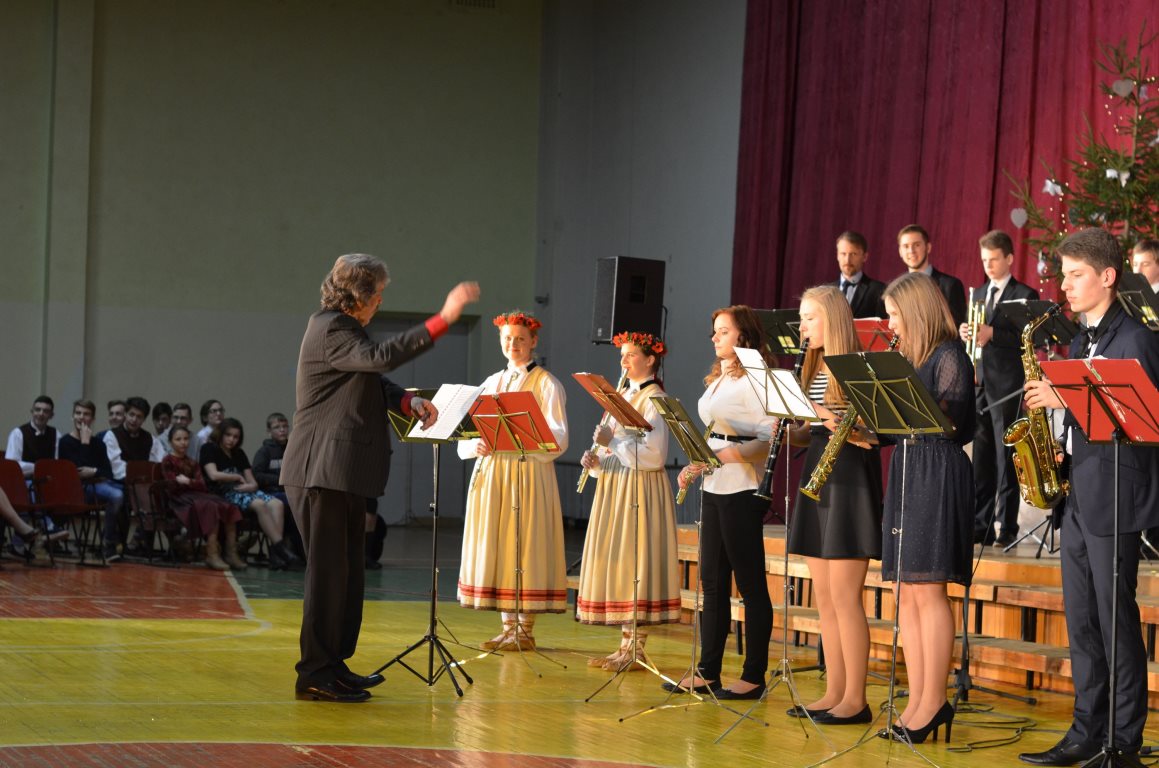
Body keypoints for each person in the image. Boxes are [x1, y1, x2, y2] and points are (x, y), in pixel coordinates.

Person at [280, 252, 478, 704]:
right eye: (378, 293)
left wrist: (407, 402)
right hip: (321, 469)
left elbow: (369, 377)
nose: (381, 301)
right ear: (358, 295)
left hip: (341, 470)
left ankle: (333, 665)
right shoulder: (331, 327)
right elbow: (379, 357)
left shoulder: (343, 329)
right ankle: (314, 672)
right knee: (328, 577)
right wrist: (443, 319)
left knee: (348, 575)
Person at [1019, 228, 1159, 766]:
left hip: (1117, 496)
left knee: (1114, 621)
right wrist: (1060, 444)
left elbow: (1145, 424)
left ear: (1107, 276)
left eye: (1076, 275)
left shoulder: (1137, 339)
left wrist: (1066, 396)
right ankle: (1085, 731)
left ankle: (1122, 742)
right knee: (1081, 620)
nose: (1066, 286)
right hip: (1078, 493)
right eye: (1064, 275)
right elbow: (1088, 422)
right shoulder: (1081, 340)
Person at [877, 272, 974, 744]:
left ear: (916, 311)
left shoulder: (950, 354)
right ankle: (917, 700)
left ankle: (934, 701)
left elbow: (953, 422)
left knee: (929, 589)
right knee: (906, 591)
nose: (890, 324)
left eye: (895, 314)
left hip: (937, 468)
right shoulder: (910, 358)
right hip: (909, 465)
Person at [668, 305, 775, 700]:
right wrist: (698, 462)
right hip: (715, 486)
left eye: (723, 331)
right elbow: (715, 435)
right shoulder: (721, 376)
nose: (714, 338)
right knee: (712, 583)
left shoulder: (758, 378)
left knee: (749, 585)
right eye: (714, 331)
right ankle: (707, 671)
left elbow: (767, 441)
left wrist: (720, 457)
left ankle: (753, 676)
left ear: (743, 335)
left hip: (743, 489)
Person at [786, 286, 882, 724]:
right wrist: (789, 425)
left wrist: (820, 412)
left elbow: (871, 436)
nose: (803, 327)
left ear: (834, 320)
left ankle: (856, 699)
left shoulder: (858, 366)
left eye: (810, 318)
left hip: (849, 480)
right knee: (823, 596)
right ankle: (834, 691)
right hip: (817, 472)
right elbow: (812, 432)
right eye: (802, 319)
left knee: (845, 597)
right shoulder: (812, 366)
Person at [457, 311, 569, 651]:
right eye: (507, 338)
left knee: (524, 544)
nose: (513, 344)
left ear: (533, 341)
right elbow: (467, 429)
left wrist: (522, 441)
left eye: (520, 338)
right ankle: (507, 627)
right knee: (500, 545)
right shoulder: (491, 382)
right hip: (493, 473)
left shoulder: (547, 384)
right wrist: (473, 445)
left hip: (526, 473)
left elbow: (559, 438)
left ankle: (525, 629)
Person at [576, 331, 680, 670]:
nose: (623, 360)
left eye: (631, 354)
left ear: (650, 359)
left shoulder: (656, 399)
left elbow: (654, 455)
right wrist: (596, 461)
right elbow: (613, 448)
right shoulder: (619, 396)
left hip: (640, 487)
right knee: (622, 563)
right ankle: (624, 647)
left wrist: (614, 443)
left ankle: (635, 649)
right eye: (622, 354)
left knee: (636, 562)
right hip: (617, 484)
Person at [958, 230, 1039, 547]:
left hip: (1007, 385)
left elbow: (1030, 339)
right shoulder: (978, 293)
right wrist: (968, 332)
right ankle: (981, 524)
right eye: (984, 260)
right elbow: (976, 335)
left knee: (1007, 458)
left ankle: (1007, 526)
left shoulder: (1025, 293)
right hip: (980, 383)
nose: (989, 265)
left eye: (994, 259)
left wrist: (993, 333)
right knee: (981, 460)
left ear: (1009, 258)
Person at [200, 417, 300, 570]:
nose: (232, 440)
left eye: (236, 437)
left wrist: (250, 486)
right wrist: (236, 477)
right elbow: (213, 475)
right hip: (223, 492)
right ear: (220, 434)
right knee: (260, 504)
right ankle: (281, 550)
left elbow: (253, 481)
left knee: (277, 504)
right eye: (228, 435)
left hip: (245, 490)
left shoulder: (239, 453)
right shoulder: (209, 448)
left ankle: (276, 554)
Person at [163, 425, 246, 571]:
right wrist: (189, 483)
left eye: (186, 439)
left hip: (197, 495)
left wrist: (188, 482)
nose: (183, 442)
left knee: (228, 505)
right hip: (180, 499)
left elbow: (202, 485)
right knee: (210, 506)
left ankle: (231, 553)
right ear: (171, 442)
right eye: (178, 439)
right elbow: (172, 485)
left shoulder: (193, 462)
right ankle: (211, 553)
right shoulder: (167, 461)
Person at [59, 399, 126, 562]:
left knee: (119, 495)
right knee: (116, 494)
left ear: (92, 419)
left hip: (96, 486)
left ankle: (108, 542)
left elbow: (108, 473)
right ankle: (109, 544)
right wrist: (84, 443)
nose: (81, 417)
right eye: (78, 413)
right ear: (72, 416)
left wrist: (94, 471)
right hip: (74, 490)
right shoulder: (65, 442)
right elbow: (78, 472)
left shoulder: (99, 443)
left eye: (86, 414)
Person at [253, 412, 304, 561]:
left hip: (292, 492)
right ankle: (278, 552)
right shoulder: (264, 451)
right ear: (269, 431)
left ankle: (300, 551)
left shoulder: (293, 448)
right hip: (271, 492)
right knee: (287, 506)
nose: (282, 430)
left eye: (284, 426)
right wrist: (281, 480)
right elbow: (257, 475)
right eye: (277, 427)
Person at [897, 224, 968, 326]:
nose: (911, 251)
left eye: (917, 245)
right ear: (900, 251)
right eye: (906, 246)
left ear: (928, 247)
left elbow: (956, 328)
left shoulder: (950, 286)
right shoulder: (896, 288)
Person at [831, 231, 887, 318]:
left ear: (865, 257)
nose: (847, 260)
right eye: (843, 254)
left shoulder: (879, 290)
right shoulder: (826, 291)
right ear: (837, 256)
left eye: (853, 254)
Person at [5, 396, 59, 478]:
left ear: (51, 415)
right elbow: (12, 465)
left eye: (46, 411)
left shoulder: (56, 434)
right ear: (32, 411)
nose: (41, 414)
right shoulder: (18, 434)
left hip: (48, 480)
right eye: (37, 410)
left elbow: (57, 463)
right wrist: (39, 468)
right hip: (23, 480)